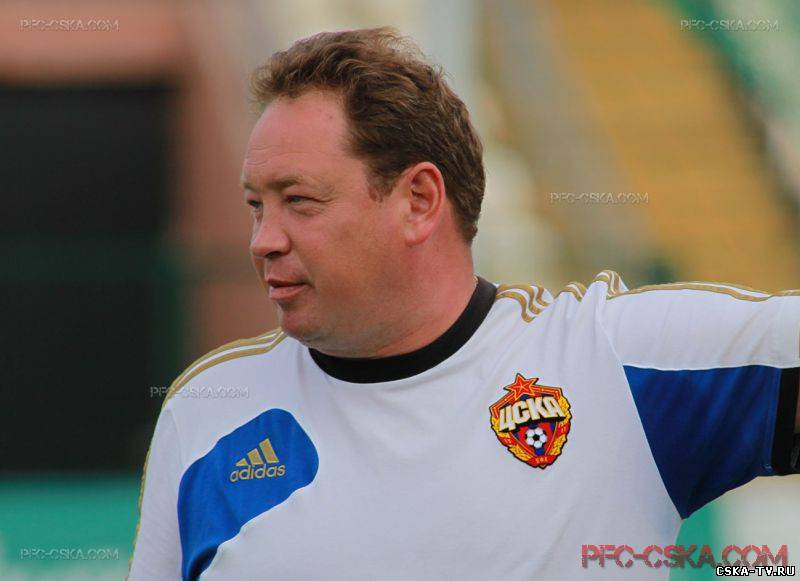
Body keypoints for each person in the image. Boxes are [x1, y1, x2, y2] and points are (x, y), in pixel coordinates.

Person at [128, 27, 800, 580]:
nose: (263, 240)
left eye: (299, 201)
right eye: (256, 206)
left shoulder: (613, 360)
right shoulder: (208, 413)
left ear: (419, 200)